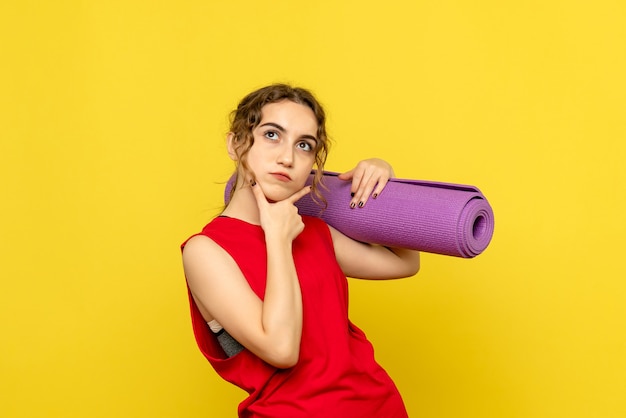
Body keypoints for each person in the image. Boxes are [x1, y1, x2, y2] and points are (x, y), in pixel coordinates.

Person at [181, 84, 420, 418]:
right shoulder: (205, 251)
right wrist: (278, 240)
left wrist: (387, 188)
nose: (287, 158)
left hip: (379, 407)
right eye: (272, 135)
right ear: (235, 144)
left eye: (304, 145)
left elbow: (405, 262)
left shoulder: (315, 233)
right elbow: (281, 350)